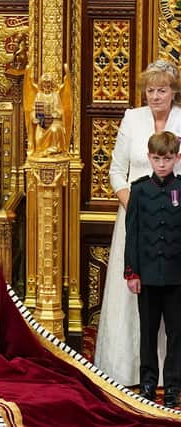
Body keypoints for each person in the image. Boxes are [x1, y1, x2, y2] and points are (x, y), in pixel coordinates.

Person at [95, 59, 181, 387]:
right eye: (150, 90)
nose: (154, 96)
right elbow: (117, 170)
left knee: (173, 299)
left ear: (173, 91)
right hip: (135, 217)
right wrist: (136, 205)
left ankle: (171, 374)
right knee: (137, 292)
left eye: (161, 90)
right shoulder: (133, 118)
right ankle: (131, 370)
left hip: (173, 220)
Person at [124, 130, 181, 408]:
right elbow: (132, 233)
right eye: (157, 158)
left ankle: (172, 387)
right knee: (147, 333)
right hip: (146, 276)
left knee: (176, 334)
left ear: (176, 158)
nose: (162, 164)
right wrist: (131, 272)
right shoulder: (139, 190)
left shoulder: (180, 189)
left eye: (167, 159)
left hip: (176, 276)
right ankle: (147, 383)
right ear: (149, 158)